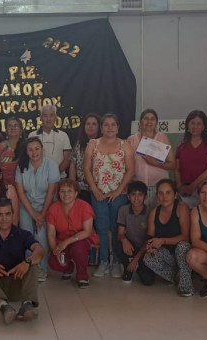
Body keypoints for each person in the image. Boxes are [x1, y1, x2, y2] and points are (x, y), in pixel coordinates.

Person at [84, 113, 135, 278]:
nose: (109, 128)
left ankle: (117, 263)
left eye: (113, 125)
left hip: (118, 194)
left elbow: (130, 170)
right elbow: (87, 169)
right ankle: (104, 262)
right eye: (106, 124)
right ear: (101, 127)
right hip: (98, 194)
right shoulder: (93, 144)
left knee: (116, 228)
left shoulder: (125, 145)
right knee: (102, 228)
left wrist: (118, 191)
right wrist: (95, 190)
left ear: (118, 127)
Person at [15, 137, 60, 281]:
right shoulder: (21, 165)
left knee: (41, 235)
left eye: (37, 149)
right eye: (30, 149)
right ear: (26, 152)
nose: (34, 152)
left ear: (42, 150)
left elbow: (51, 191)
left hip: (46, 206)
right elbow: (20, 192)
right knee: (27, 235)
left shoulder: (51, 165)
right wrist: (33, 213)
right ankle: (29, 266)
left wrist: (42, 214)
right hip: (26, 206)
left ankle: (41, 268)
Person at [142, 179, 194, 295]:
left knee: (182, 246)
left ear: (175, 195)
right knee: (148, 258)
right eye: (160, 193)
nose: (164, 196)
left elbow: (185, 237)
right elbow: (149, 238)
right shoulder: (154, 212)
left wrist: (163, 241)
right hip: (167, 255)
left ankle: (186, 285)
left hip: (183, 254)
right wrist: (150, 247)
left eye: (168, 192)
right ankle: (179, 276)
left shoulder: (181, 208)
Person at [46, 179, 97, 288]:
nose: (66, 194)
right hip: (63, 241)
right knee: (54, 262)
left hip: (81, 239)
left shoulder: (84, 206)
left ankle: (82, 276)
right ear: (58, 193)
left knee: (78, 250)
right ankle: (69, 268)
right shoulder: (53, 209)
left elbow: (87, 231)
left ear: (76, 193)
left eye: (69, 191)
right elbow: (51, 234)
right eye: (62, 191)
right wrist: (56, 251)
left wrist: (66, 242)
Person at [127, 109, 175, 208]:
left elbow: (173, 164)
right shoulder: (131, 139)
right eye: (146, 118)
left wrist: (155, 163)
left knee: (157, 218)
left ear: (156, 123)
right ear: (140, 122)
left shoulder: (162, 138)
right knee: (141, 220)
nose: (149, 122)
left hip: (160, 189)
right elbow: (125, 164)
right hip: (138, 189)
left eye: (152, 119)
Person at [175, 110, 207, 208]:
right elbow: (177, 168)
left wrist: (194, 185)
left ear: (204, 126)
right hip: (185, 192)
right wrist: (179, 186)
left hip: (205, 190)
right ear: (187, 125)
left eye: (199, 124)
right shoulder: (181, 144)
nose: (195, 127)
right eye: (192, 123)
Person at [115, 181, 155, 286]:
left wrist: (135, 260)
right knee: (118, 244)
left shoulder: (150, 212)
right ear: (128, 196)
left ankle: (138, 267)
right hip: (131, 245)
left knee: (148, 281)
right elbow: (120, 233)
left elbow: (149, 240)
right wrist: (124, 240)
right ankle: (128, 268)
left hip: (145, 248)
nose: (136, 198)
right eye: (133, 194)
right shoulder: (123, 210)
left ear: (145, 197)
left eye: (140, 195)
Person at [28, 105, 71, 179]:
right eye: (45, 116)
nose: (48, 119)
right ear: (41, 118)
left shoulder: (63, 135)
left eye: (51, 115)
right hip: (38, 178)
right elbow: (29, 158)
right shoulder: (32, 135)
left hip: (59, 178)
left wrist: (54, 174)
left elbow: (67, 159)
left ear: (55, 117)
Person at [69, 112, 101, 203]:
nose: (90, 126)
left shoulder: (103, 144)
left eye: (94, 124)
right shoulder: (79, 144)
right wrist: (72, 185)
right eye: (88, 124)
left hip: (98, 188)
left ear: (99, 127)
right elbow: (72, 164)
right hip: (81, 188)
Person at [0, 117, 24, 185]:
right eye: (10, 126)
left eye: (16, 126)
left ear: (21, 130)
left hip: (24, 188)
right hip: (3, 188)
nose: (13, 128)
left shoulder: (27, 148)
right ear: (6, 130)